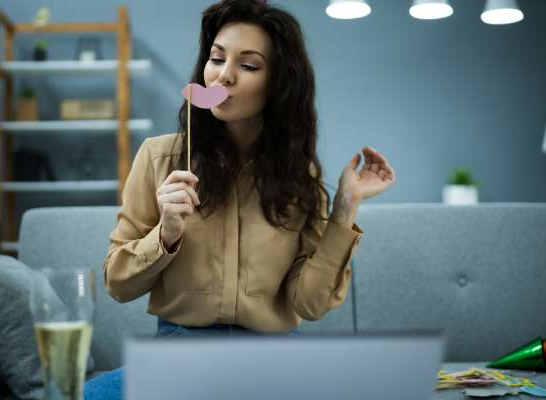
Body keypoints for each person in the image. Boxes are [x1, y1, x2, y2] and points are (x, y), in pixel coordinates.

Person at [84, 0, 396, 398]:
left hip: (274, 357)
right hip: (180, 352)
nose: (223, 76)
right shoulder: (158, 158)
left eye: (248, 66)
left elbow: (310, 304)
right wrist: (166, 235)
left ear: (278, 84)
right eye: (216, 59)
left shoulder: (300, 176)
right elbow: (118, 284)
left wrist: (344, 210)